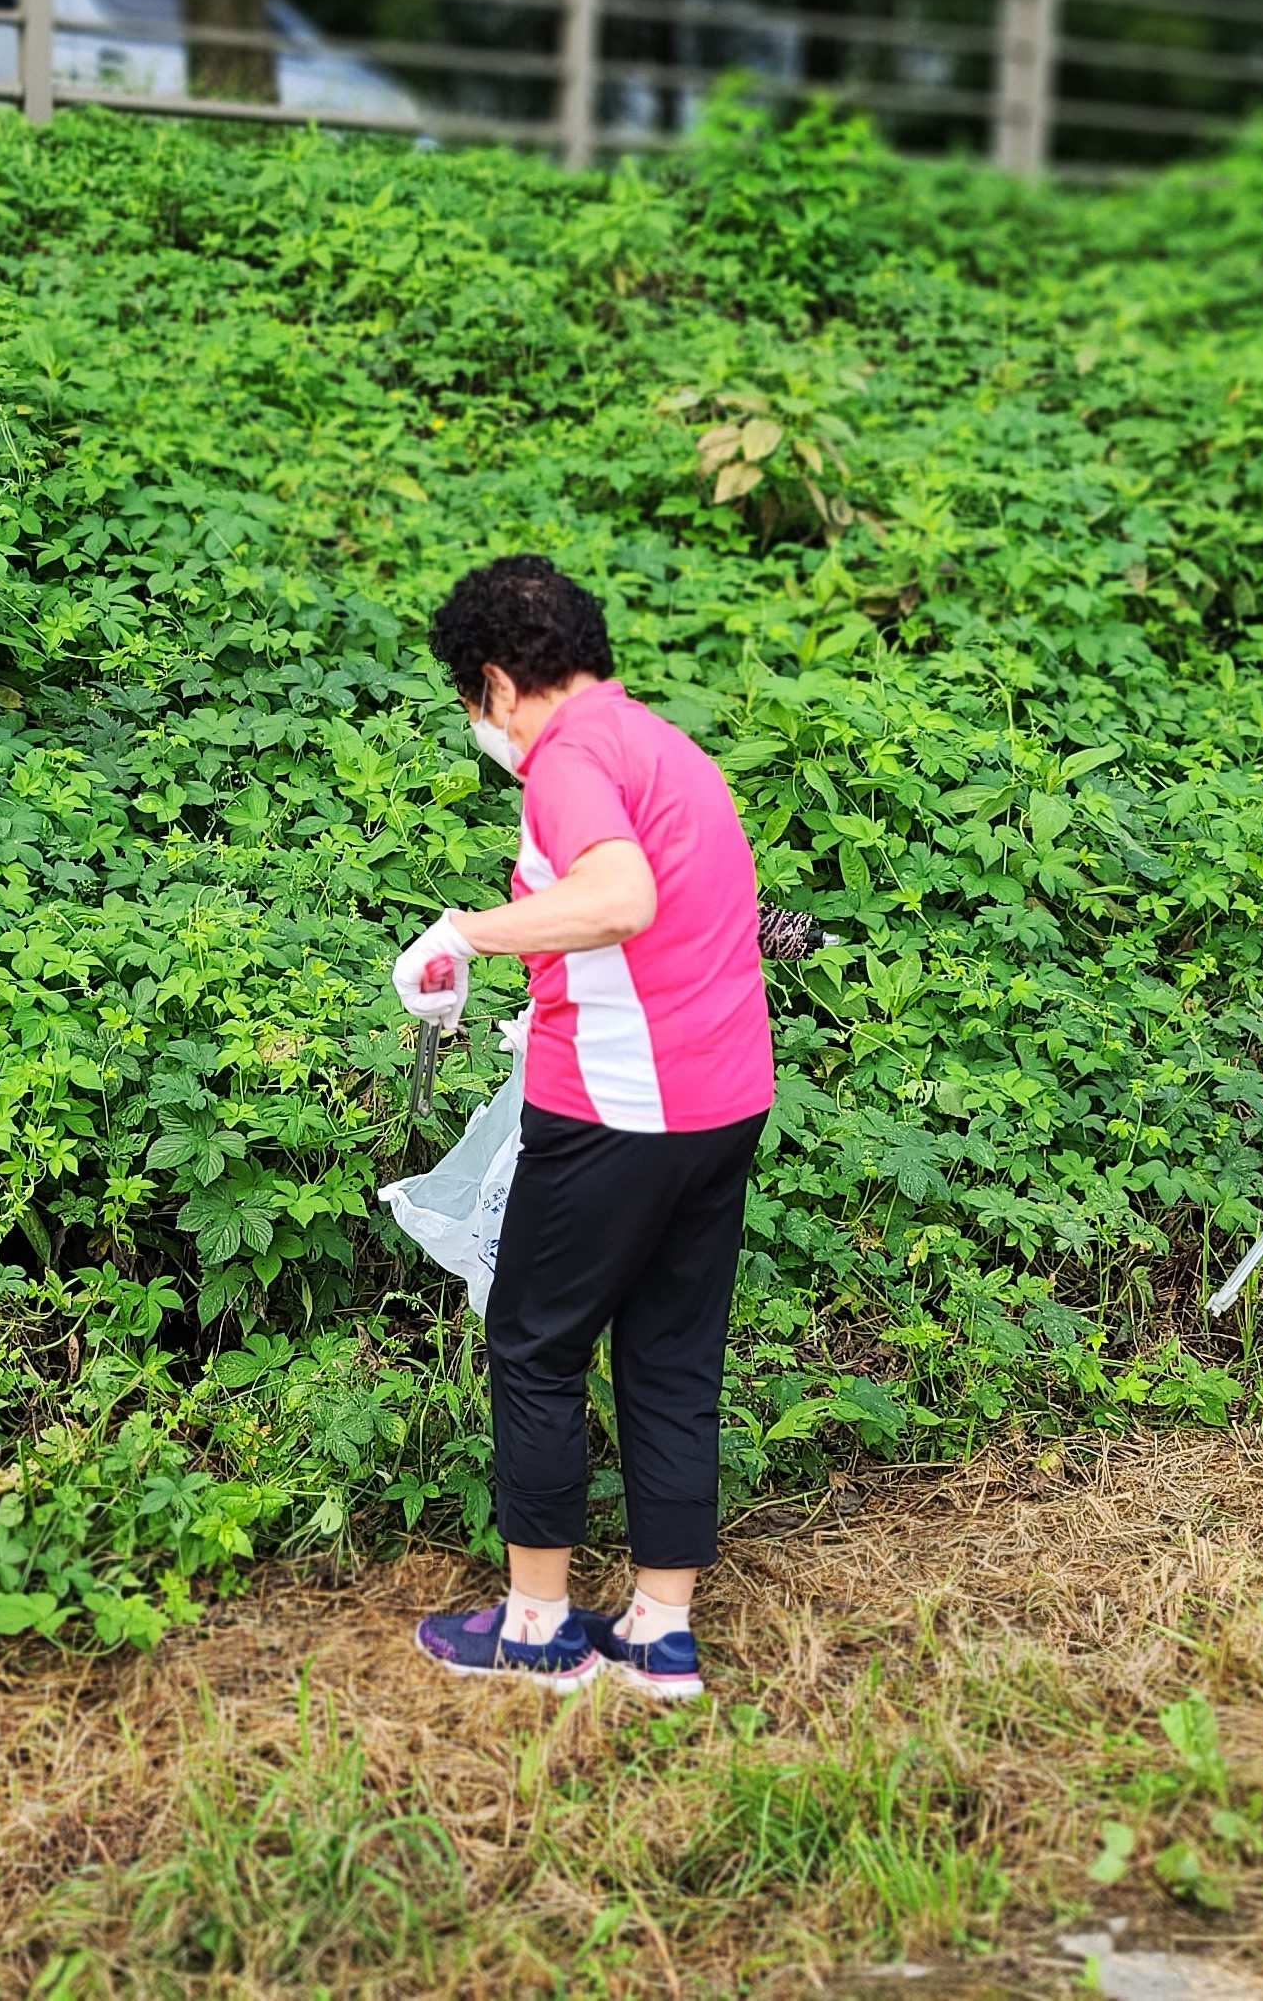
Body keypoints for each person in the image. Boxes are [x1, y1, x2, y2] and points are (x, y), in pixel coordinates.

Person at [391, 555, 774, 1700]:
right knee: (670, 1354)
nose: (484, 724)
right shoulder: (664, 746)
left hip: (618, 1108)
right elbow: (678, 922)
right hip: (722, 1099)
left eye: (474, 700)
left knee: (535, 1343)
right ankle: (658, 1632)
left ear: (500, 683)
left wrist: (463, 931)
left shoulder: (567, 759)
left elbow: (619, 897)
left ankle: (536, 1627)